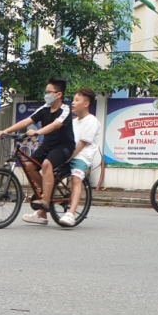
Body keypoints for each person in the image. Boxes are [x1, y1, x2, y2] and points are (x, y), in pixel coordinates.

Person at [0, 78, 75, 225]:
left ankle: (45, 200)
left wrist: (38, 133)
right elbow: (26, 121)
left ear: (58, 94)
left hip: (64, 146)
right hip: (48, 145)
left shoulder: (65, 109)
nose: (46, 95)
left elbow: (55, 126)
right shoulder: (45, 108)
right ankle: (45, 202)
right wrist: (5, 131)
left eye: (49, 92)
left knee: (46, 164)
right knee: (30, 166)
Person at [61, 87, 100, 228]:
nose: (73, 102)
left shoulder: (92, 121)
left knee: (76, 179)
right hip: (69, 154)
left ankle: (71, 213)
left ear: (86, 103)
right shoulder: (72, 121)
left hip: (82, 156)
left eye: (76, 100)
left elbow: (82, 144)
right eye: (73, 99)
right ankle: (41, 212)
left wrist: (69, 158)